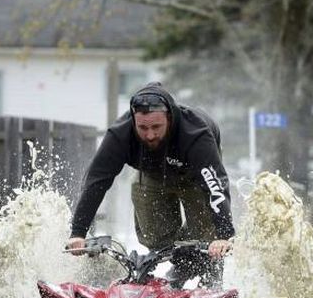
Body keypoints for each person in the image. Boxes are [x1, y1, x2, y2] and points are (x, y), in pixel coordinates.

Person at [67, 82, 234, 287]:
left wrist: (224, 235)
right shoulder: (120, 135)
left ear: (170, 119)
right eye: (143, 128)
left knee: (205, 235)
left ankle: (208, 273)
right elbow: (96, 182)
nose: (150, 135)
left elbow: (215, 185)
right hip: (154, 176)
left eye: (156, 127)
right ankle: (183, 265)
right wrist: (78, 232)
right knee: (154, 236)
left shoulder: (195, 134)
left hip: (195, 178)